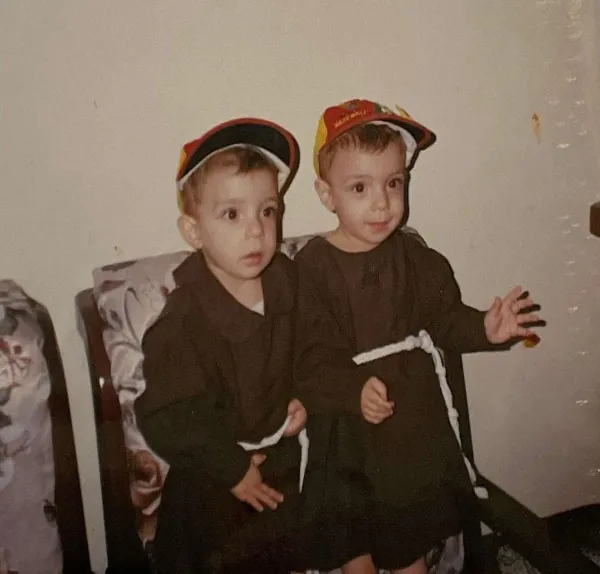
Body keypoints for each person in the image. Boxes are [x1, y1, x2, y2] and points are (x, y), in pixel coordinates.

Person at [293, 99, 542, 574]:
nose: (382, 202)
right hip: (344, 433)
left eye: (394, 183)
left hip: (408, 434)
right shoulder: (311, 270)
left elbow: (446, 319)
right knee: (353, 546)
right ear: (327, 195)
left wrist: (486, 329)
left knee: (411, 546)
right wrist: (351, 389)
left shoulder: (417, 259)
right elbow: (308, 355)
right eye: (360, 187)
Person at [137, 118, 310, 573]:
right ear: (194, 233)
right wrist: (232, 470)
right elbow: (167, 416)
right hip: (214, 476)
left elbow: (312, 352)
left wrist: (302, 398)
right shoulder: (183, 322)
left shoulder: (288, 282)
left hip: (284, 459)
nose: (256, 230)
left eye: (267, 211)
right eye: (232, 214)